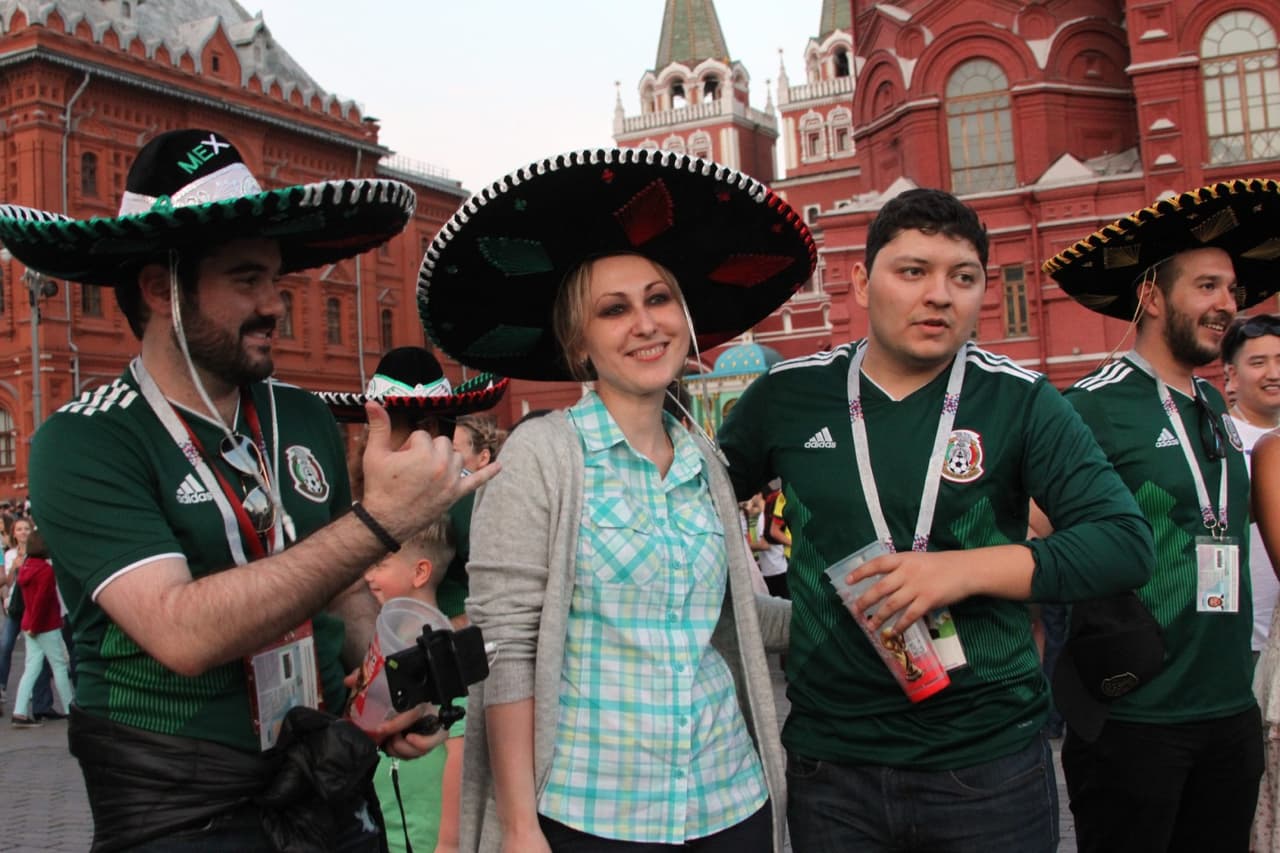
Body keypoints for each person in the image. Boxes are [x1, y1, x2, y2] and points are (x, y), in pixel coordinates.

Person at [0, 128, 497, 851]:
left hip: (326, 780)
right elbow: (181, 630)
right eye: (245, 279)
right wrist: (381, 518)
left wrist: (377, 674)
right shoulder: (85, 440)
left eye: (275, 277)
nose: (275, 303)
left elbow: (338, 588)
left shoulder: (299, 415)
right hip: (180, 809)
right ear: (158, 286)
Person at [716, 187, 1153, 852]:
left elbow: (1124, 544)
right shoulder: (789, 396)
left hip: (987, 765)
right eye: (912, 271)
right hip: (834, 768)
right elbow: (684, 506)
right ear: (862, 282)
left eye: (964, 277)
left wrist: (959, 571)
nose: (940, 294)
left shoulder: (1019, 398)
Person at [418, 148, 817, 852]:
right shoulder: (540, 457)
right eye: (614, 309)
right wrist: (518, 825)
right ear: (580, 344)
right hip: (592, 811)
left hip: (729, 798)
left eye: (658, 299)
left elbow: (733, 613)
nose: (645, 323)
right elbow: (506, 646)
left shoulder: (705, 463)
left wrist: (843, 609)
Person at [1043, 178, 1279, 852]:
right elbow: (1030, 533)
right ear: (1151, 295)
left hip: (1230, 710)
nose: (1228, 305)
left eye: (1232, 290)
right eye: (1207, 286)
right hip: (1134, 717)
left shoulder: (1213, 409)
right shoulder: (1090, 403)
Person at [319, 346, 510, 628]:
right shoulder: (354, 494)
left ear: (428, 429)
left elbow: (505, 599)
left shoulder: (464, 500)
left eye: (385, 426)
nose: (373, 439)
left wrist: (432, 641)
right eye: (371, 427)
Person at [363, 515, 467, 853]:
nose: (368, 576)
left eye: (380, 564)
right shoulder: (372, 648)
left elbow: (459, 752)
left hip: (429, 839)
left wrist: (449, 843)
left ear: (420, 572)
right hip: (379, 833)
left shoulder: (447, 654)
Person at [1223, 314, 1280, 661]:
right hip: (1244, 637)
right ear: (1231, 374)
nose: (1273, 373)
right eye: (1258, 362)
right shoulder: (1216, 438)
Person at [9, 530, 73, 728]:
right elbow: (42, 602)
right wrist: (36, 626)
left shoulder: (26, 568)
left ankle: (19, 712)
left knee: (31, 668)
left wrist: (31, 627)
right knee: (60, 666)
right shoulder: (46, 571)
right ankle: (72, 708)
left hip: (29, 623)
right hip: (45, 625)